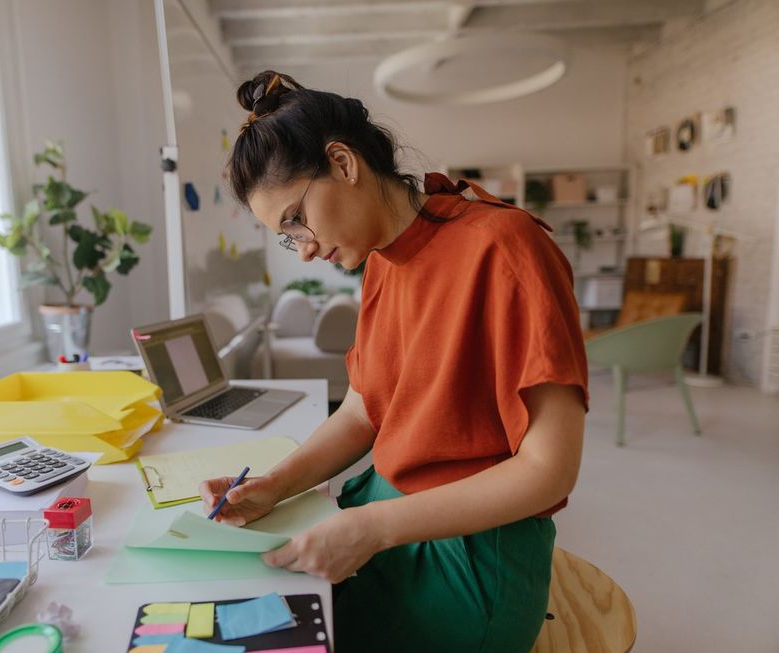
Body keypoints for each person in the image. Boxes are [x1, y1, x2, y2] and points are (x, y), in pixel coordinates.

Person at [200, 70, 589, 652]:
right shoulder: (380, 262)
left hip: (470, 553)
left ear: (343, 162)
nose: (303, 248)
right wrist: (276, 486)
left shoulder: (504, 246)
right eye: (287, 236)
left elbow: (549, 470)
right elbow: (363, 412)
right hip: (387, 515)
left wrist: (371, 529)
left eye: (295, 219)